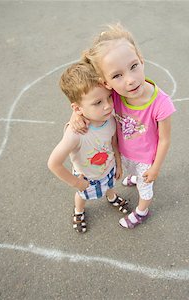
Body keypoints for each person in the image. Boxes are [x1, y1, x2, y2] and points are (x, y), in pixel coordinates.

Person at [70, 24, 176, 229]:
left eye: (134, 66)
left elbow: (165, 139)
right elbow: (85, 97)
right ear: (106, 82)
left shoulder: (161, 103)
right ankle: (135, 177)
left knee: (146, 189)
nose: (130, 80)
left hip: (147, 159)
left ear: (141, 59)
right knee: (132, 174)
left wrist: (155, 168)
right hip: (124, 153)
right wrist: (75, 113)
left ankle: (142, 211)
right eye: (117, 75)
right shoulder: (114, 95)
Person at [48, 61, 129, 233]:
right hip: (87, 177)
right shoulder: (76, 133)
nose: (107, 105)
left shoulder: (110, 118)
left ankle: (112, 197)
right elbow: (53, 163)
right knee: (82, 196)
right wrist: (77, 183)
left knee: (110, 184)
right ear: (77, 108)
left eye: (108, 97)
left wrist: (118, 163)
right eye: (97, 102)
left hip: (108, 167)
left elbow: (113, 142)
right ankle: (78, 211)